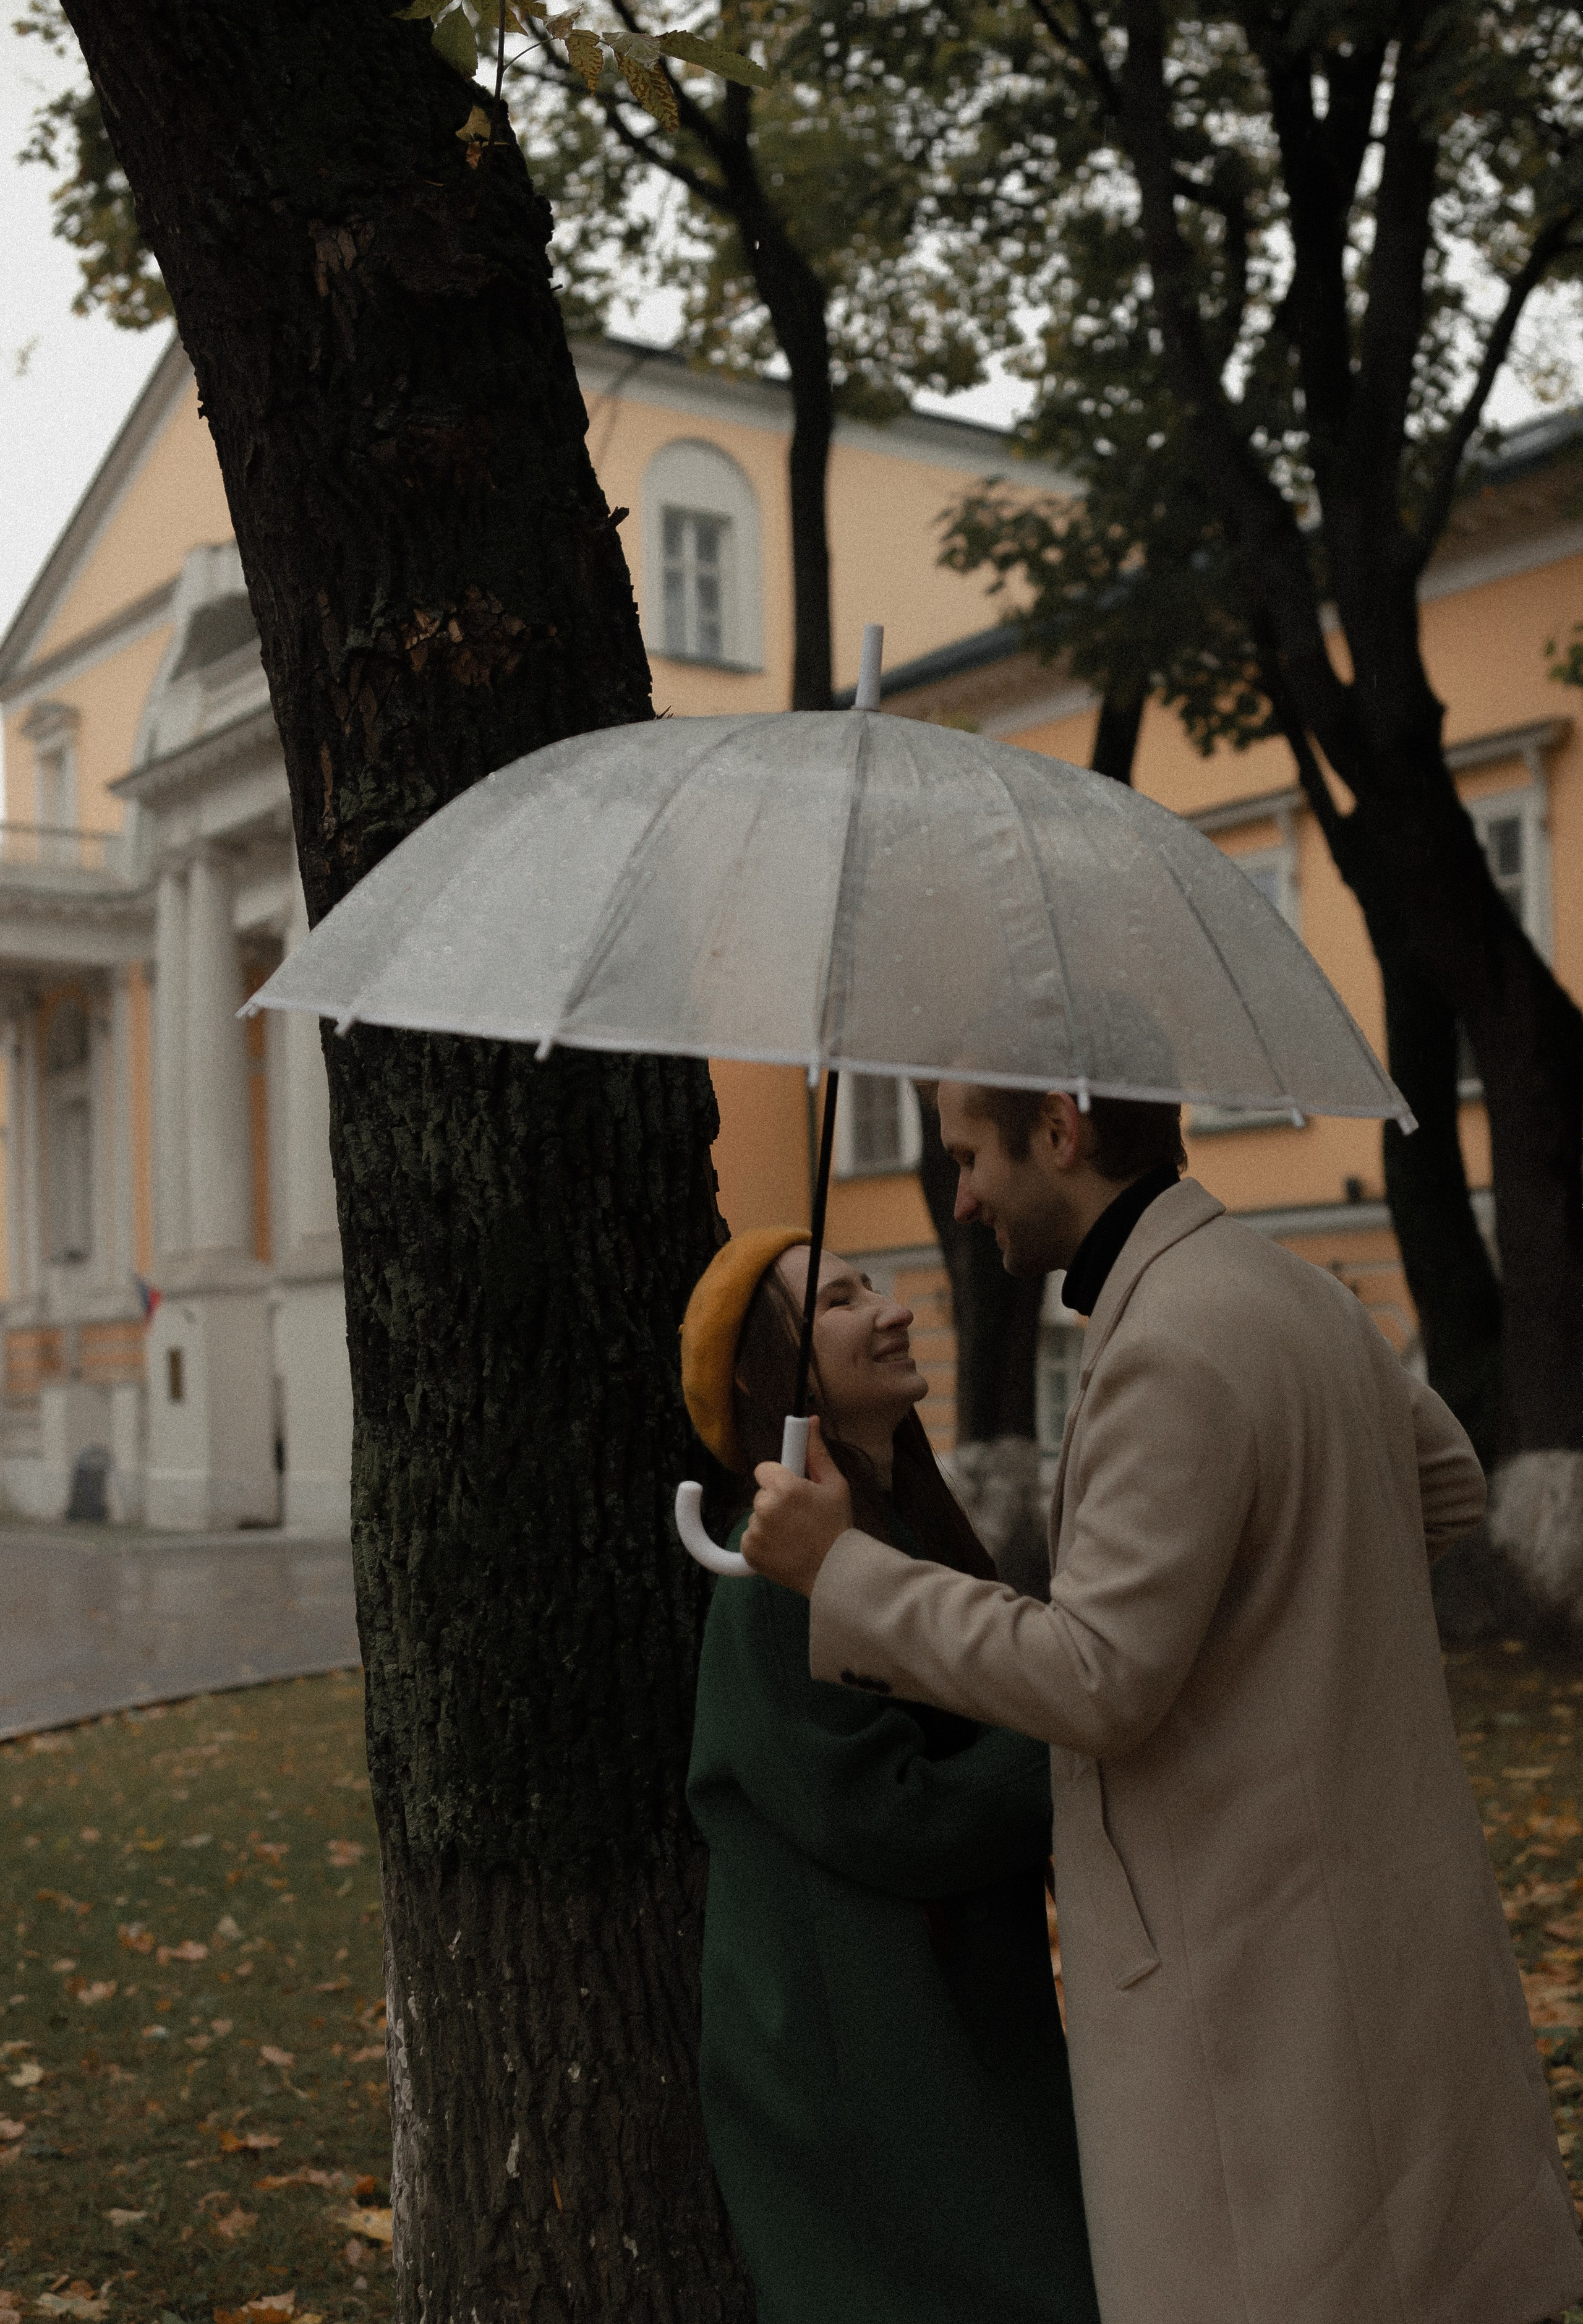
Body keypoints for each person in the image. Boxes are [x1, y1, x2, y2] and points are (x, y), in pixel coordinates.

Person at [741, 1088, 1583, 2324]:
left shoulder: (1160, 1347)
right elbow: (1441, 1480)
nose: (960, 1197)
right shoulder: (1289, 1287)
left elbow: (1097, 1675)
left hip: (1251, 1982)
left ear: (1061, 1132)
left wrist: (841, 1573)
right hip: (1368, 1940)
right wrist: (1291, 1638)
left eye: (971, 1156)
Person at [681, 1224, 1102, 2324]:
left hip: (940, 2027)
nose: (892, 1308)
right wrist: (1073, 1727)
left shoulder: (906, 1530)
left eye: (873, 1284)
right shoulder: (772, 1580)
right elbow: (890, 1814)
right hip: (859, 2064)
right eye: (839, 1302)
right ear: (775, 1377)